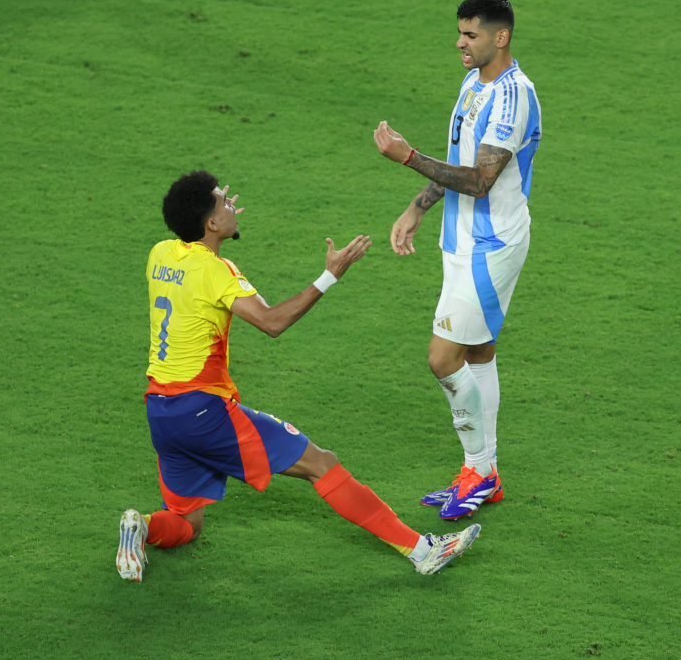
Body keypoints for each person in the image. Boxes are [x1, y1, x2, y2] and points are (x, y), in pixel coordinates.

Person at [116, 170, 480, 581]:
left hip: (161, 414)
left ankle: (141, 527)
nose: (232, 204)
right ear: (210, 224)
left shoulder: (160, 254)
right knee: (321, 464)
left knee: (188, 523)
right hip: (202, 411)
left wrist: (210, 204)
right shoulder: (216, 272)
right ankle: (421, 550)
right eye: (222, 202)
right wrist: (330, 275)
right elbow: (272, 322)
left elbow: (195, 231)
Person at [373, 0, 541, 521]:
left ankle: (480, 469)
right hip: (460, 241)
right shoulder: (474, 83)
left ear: (501, 36)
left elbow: (480, 179)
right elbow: (458, 160)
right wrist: (419, 206)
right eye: (460, 32)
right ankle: (483, 475)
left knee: (442, 358)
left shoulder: (513, 97)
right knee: (479, 354)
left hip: (490, 247)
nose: (460, 43)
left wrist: (407, 158)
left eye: (470, 34)